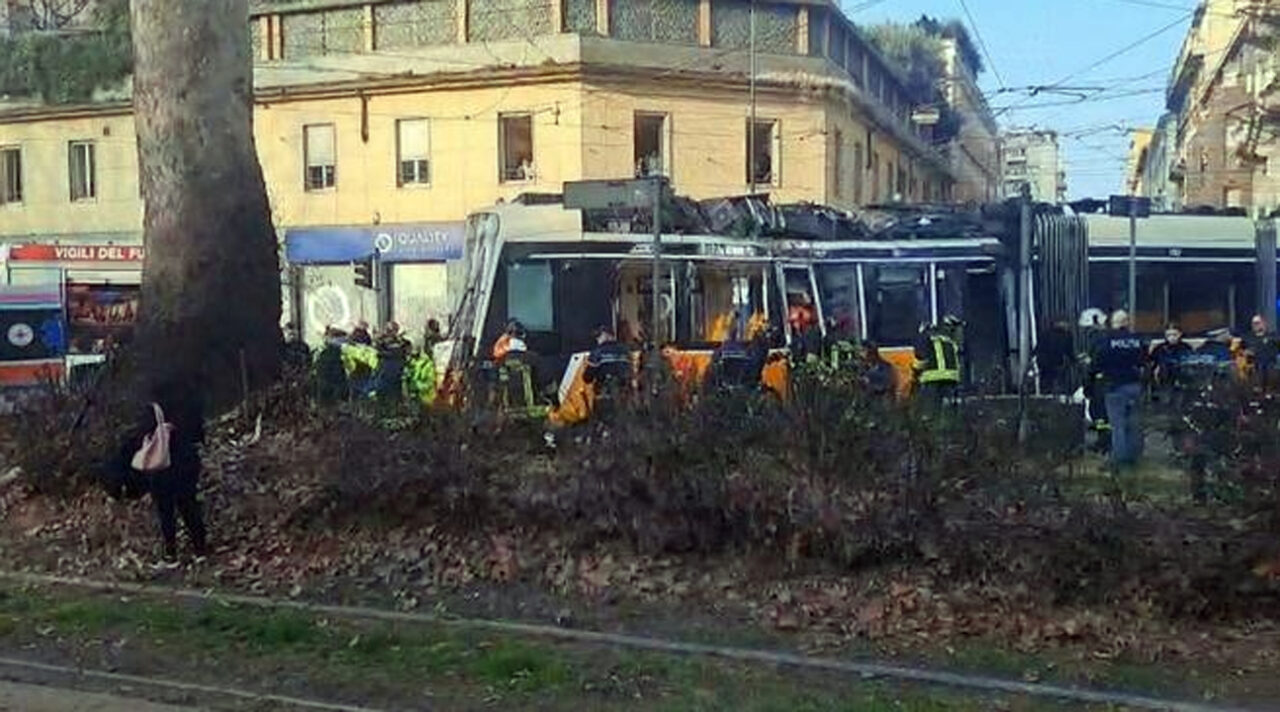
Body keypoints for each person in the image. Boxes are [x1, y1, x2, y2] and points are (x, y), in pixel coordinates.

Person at [120, 377, 208, 565]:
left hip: (163, 465)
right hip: (188, 461)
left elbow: (142, 432)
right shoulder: (192, 405)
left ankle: (171, 553)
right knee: (189, 504)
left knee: (165, 509)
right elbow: (200, 434)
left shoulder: (155, 409)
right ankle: (200, 548)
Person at [1089, 309, 1147, 471]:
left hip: (1115, 386)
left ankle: (1120, 459)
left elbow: (1097, 363)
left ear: (1114, 323)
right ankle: (1134, 456)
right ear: (1127, 322)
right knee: (1134, 423)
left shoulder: (1107, 340)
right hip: (1135, 385)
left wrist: (1091, 381)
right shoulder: (1137, 340)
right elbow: (1144, 361)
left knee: (1118, 425)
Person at [583, 326, 632, 418]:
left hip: (605, 395)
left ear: (606, 335)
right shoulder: (625, 351)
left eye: (599, 336)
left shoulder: (598, 352)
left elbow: (587, 377)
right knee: (622, 423)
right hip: (623, 396)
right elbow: (630, 371)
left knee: (604, 424)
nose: (597, 339)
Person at [913, 322, 960, 403]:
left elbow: (922, 359)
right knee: (949, 407)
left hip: (933, 378)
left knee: (932, 408)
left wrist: (915, 372)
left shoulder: (925, 339)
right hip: (952, 377)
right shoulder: (948, 341)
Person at [373, 322, 411, 404]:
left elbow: (406, 350)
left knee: (396, 388)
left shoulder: (401, 341)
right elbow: (377, 351)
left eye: (395, 330)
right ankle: (383, 406)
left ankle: (396, 405)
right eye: (391, 330)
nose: (393, 333)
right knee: (383, 388)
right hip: (386, 367)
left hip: (397, 368)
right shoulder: (383, 341)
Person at [1149, 323, 1192, 391]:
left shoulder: (1186, 348)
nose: (1172, 337)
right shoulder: (1160, 349)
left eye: (1175, 335)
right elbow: (1152, 365)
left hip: (1182, 381)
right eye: (1168, 335)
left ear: (1180, 334)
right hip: (1163, 382)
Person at [1036, 321, 1075, 395]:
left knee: (1047, 382)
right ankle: (1056, 394)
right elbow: (1069, 351)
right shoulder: (1067, 335)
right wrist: (1073, 360)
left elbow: (1038, 348)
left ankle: (1046, 394)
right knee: (1057, 380)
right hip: (1056, 363)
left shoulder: (1046, 333)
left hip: (1045, 363)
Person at [314, 327, 349, 404]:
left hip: (325, 391)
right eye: (343, 340)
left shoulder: (324, 352)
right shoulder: (333, 353)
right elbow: (338, 374)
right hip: (332, 391)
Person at [1244, 314, 1277, 384]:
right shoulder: (1247, 338)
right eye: (1253, 323)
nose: (1255, 325)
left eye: (1257, 323)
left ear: (1264, 323)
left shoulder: (1273, 337)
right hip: (1253, 371)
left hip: (1270, 369)